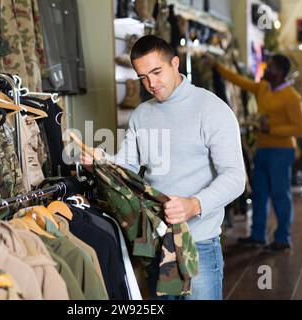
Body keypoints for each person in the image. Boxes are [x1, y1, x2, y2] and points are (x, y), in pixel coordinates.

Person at [81, 35, 245, 300]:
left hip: (199, 244)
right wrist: (101, 162)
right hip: (155, 242)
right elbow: (130, 165)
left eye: (156, 72)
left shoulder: (213, 109)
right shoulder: (142, 114)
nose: (151, 84)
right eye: (143, 77)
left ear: (175, 63)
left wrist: (194, 204)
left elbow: (235, 177)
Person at [209, 54, 302, 252]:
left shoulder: (292, 97)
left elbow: (300, 130)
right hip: (262, 150)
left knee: (280, 194)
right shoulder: (262, 88)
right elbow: (240, 81)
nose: (265, 70)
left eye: (270, 67)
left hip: (282, 151)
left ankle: (283, 239)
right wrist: (217, 67)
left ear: (279, 72)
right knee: (260, 194)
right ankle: (257, 236)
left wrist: (270, 129)